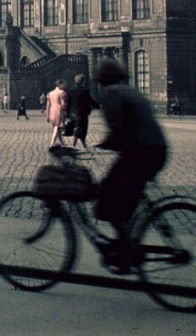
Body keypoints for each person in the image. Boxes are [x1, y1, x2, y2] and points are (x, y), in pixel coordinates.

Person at [93, 58, 168, 272]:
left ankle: (126, 249)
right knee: (124, 195)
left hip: (141, 152)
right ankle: (125, 245)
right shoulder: (130, 90)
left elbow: (119, 131)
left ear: (102, 80)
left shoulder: (111, 94)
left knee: (107, 196)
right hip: (157, 149)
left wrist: (95, 147)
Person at [68, 74, 99, 150]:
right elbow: (90, 101)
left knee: (80, 128)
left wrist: (67, 113)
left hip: (73, 112)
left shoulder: (71, 90)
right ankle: (73, 146)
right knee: (80, 129)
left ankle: (84, 146)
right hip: (82, 113)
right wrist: (98, 106)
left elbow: (69, 102)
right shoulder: (84, 91)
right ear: (83, 81)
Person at [45, 79, 68, 148]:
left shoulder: (50, 93)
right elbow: (63, 104)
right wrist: (66, 110)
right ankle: (52, 144)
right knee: (57, 127)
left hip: (52, 110)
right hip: (59, 110)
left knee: (56, 127)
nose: (65, 85)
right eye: (63, 84)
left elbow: (48, 105)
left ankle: (62, 142)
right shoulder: (62, 93)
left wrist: (47, 115)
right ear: (60, 84)